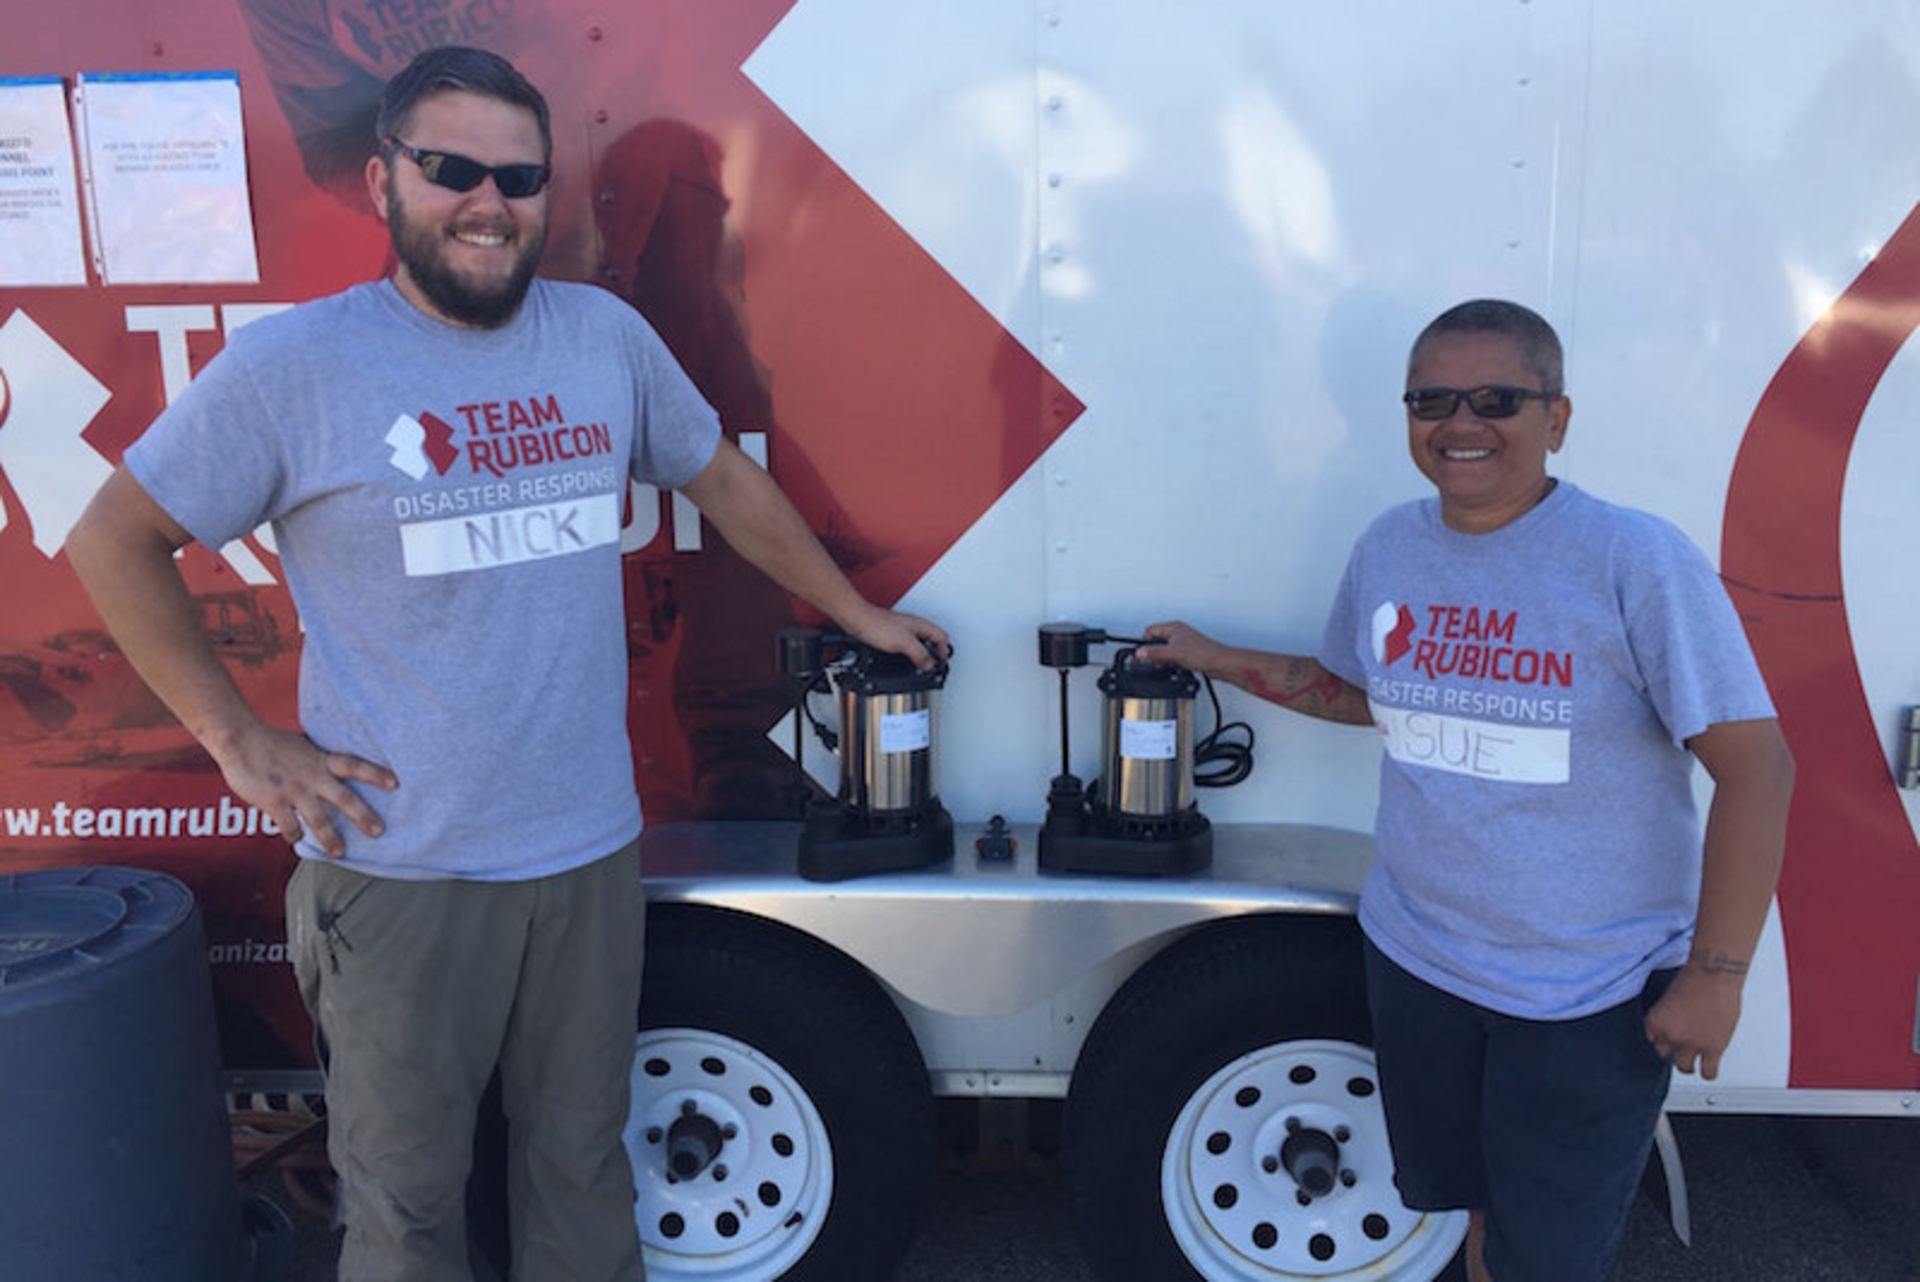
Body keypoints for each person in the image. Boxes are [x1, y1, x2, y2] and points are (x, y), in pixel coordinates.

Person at [64, 45, 947, 1282]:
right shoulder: (294, 369)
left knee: (580, 1170)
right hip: (402, 876)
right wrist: (240, 742)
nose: (490, 200)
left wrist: (854, 610)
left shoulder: (602, 337)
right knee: (409, 1204)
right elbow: (115, 541)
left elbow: (725, 479)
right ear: (382, 183)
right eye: (451, 168)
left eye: (519, 176)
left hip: (586, 856)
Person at [1142, 299, 1793, 1282]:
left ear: (1557, 419)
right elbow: (1374, 695)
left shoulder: (1632, 559)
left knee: (1551, 1258)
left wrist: (1717, 975)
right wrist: (1218, 659)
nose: (1461, 423)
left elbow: (1758, 768)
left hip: (1585, 994)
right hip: (1420, 963)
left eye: (1497, 398)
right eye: (1434, 398)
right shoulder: (1391, 547)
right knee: (1477, 1215)